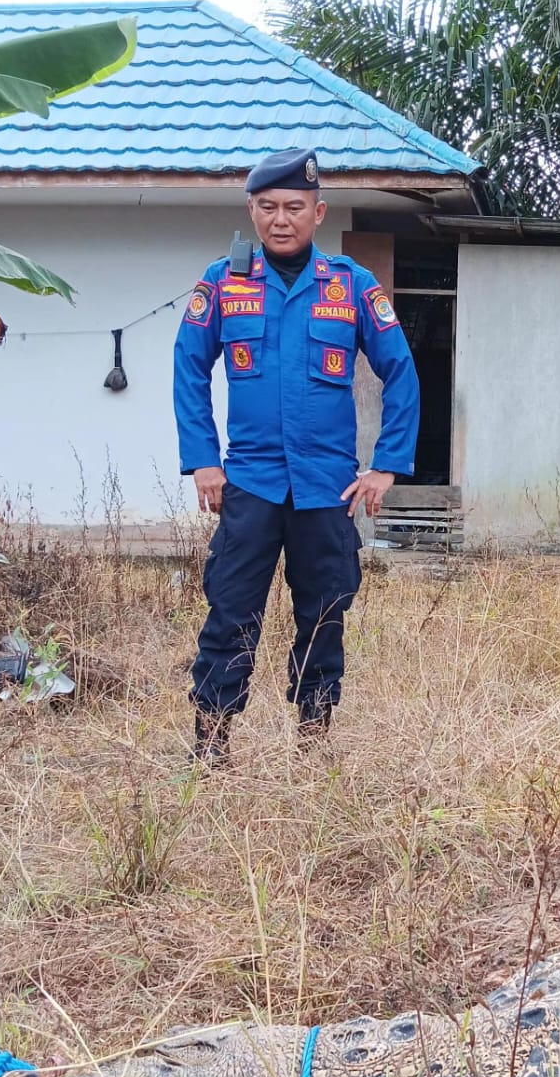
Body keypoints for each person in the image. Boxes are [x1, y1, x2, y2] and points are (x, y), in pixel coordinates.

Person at [173, 147, 421, 763]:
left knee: (325, 614)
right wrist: (203, 459)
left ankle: (313, 745)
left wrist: (386, 464)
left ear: (318, 212)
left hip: (326, 489)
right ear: (251, 211)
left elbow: (402, 374)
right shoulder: (224, 282)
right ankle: (211, 747)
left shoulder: (352, 285)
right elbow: (188, 368)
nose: (279, 219)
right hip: (250, 485)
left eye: (292, 207)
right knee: (231, 613)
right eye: (266, 207)